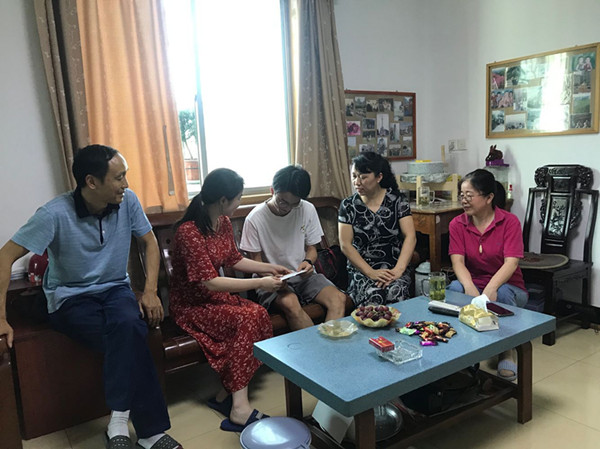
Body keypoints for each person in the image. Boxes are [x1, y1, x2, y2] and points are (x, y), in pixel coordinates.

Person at [0, 145, 182, 449]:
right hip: (69, 296)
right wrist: (1, 318)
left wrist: (150, 291)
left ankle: (119, 421)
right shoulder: (54, 214)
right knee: (130, 336)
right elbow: (5, 256)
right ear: (91, 182)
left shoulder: (128, 201)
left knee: (129, 326)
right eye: (119, 177)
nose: (126, 184)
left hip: (115, 288)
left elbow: (149, 243)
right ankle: (149, 432)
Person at [169, 168, 289, 433]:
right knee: (246, 318)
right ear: (223, 200)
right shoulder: (189, 232)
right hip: (192, 306)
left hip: (214, 299)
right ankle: (239, 408)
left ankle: (225, 396)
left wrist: (269, 268)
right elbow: (210, 282)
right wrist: (260, 282)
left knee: (258, 313)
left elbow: (233, 259)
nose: (239, 203)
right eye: (237, 198)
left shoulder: (222, 222)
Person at [239, 165, 347, 330]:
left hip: (303, 276)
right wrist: (275, 277)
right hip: (271, 280)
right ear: (272, 190)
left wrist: (308, 262)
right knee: (291, 303)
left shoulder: (306, 209)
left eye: (294, 204)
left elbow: (311, 249)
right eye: (282, 201)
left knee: (338, 299)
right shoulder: (255, 219)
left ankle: (326, 345)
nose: (287, 208)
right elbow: (256, 263)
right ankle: (316, 346)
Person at [448, 169, 528, 381]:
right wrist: (469, 288)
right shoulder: (457, 224)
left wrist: (490, 289)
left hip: (509, 286)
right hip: (474, 283)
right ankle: (465, 348)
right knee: (455, 290)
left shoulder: (509, 222)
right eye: (462, 195)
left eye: (469, 195)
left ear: (489, 197)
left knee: (502, 294)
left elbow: (511, 263)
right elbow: (458, 262)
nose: (464, 200)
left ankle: (506, 350)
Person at [338, 152, 417, 306]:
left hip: (393, 266)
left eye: (363, 177)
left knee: (397, 291)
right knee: (374, 295)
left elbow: (410, 236)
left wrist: (398, 270)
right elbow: (345, 244)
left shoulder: (397, 200)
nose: (357, 182)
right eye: (354, 176)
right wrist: (371, 273)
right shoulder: (348, 206)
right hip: (362, 269)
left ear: (379, 177)